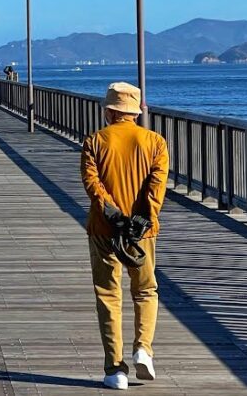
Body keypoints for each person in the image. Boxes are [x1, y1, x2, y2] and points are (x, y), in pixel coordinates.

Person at [80, 83, 168, 390]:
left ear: (109, 111)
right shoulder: (155, 142)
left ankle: (114, 369)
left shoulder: (95, 141)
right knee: (145, 290)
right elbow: (156, 188)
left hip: (104, 228)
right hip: (142, 231)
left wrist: (111, 210)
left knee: (108, 294)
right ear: (135, 112)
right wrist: (145, 216)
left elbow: (92, 184)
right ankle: (143, 347)